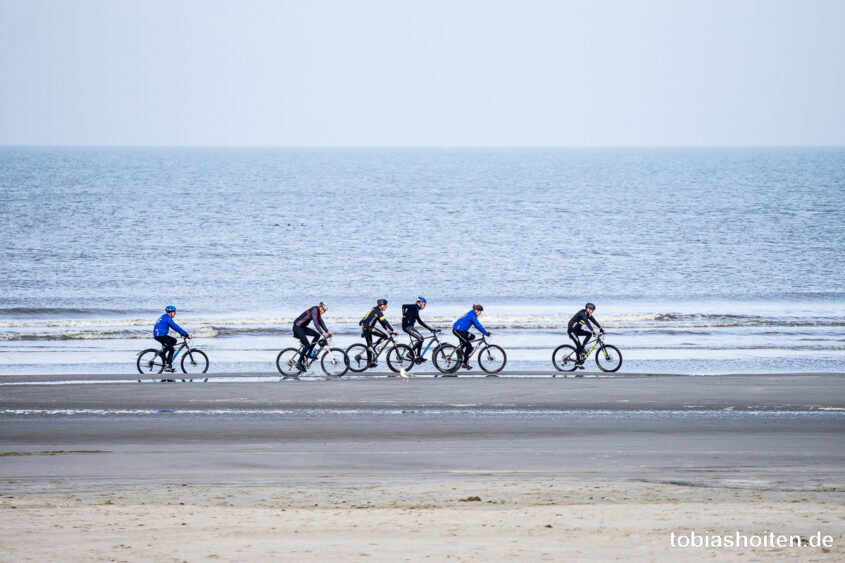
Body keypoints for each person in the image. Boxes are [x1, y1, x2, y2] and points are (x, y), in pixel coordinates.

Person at [360, 299, 399, 368]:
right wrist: (392, 330)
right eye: (385, 305)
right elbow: (385, 321)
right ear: (382, 305)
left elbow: (381, 322)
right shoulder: (378, 311)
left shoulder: (375, 309)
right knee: (384, 336)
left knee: (369, 345)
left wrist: (387, 329)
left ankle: (369, 363)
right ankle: (373, 347)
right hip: (369, 328)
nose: (386, 307)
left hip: (366, 327)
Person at [293, 302, 331, 371]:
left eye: (325, 311)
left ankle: (309, 354)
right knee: (307, 345)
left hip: (302, 327)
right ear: (321, 307)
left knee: (317, 335)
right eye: (324, 310)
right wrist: (322, 333)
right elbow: (316, 323)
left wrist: (327, 331)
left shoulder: (318, 312)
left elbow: (321, 322)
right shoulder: (314, 310)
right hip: (297, 327)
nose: (324, 312)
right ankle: (298, 362)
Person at [153, 305, 191, 373]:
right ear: (170, 312)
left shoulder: (164, 316)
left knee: (174, 341)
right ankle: (167, 366)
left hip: (160, 334)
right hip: (160, 335)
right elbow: (175, 326)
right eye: (174, 312)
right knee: (172, 349)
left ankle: (162, 353)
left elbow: (174, 327)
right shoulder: (168, 319)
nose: (175, 313)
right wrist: (186, 334)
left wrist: (181, 333)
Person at [452, 304, 490, 370]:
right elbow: (477, 325)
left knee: (472, 337)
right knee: (469, 346)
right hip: (458, 330)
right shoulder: (472, 315)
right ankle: (464, 363)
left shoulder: (472, 313)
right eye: (480, 311)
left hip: (462, 330)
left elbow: (476, 325)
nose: (480, 313)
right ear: (476, 310)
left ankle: (462, 348)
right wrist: (485, 332)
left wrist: (482, 331)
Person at [401, 297, 437, 364]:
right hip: (407, 327)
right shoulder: (414, 306)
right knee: (420, 339)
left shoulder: (416, 310)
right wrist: (403, 314)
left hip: (410, 327)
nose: (425, 306)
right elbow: (404, 306)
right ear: (420, 303)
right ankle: (409, 353)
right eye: (424, 304)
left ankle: (418, 356)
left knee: (421, 339)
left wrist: (430, 329)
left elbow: (420, 322)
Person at [568, 302, 603, 368]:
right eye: (592, 310)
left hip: (577, 330)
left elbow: (594, 321)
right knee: (578, 345)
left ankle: (582, 348)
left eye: (593, 310)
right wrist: (593, 332)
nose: (592, 311)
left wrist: (600, 328)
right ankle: (578, 363)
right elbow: (587, 323)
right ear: (587, 309)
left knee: (589, 334)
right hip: (572, 331)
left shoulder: (588, 314)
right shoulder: (582, 314)